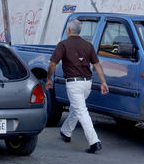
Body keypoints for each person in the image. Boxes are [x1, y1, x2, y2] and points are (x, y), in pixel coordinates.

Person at [46, 19, 109, 154]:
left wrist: (48, 78)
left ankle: (94, 142)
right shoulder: (88, 45)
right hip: (87, 84)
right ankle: (66, 132)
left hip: (74, 83)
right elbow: (97, 64)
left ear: (68, 30)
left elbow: (52, 64)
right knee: (76, 108)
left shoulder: (63, 44)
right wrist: (103, 82)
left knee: (81, 110)